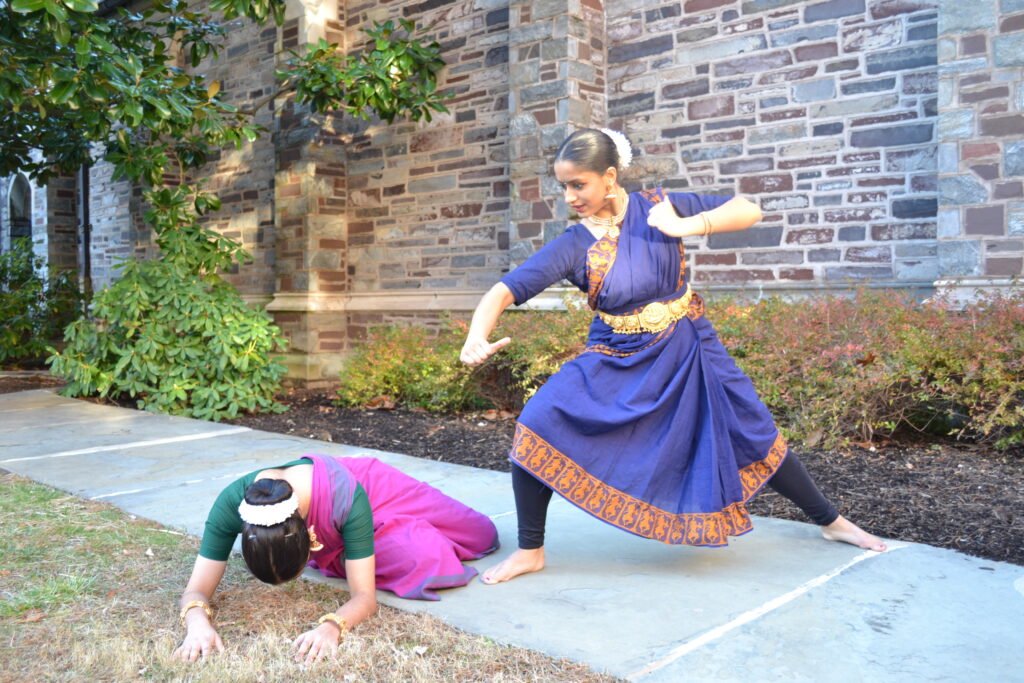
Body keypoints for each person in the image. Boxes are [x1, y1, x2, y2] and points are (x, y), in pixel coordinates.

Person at [460, 128, 886, 585]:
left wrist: (687, 225)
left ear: (608, 176)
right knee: (539, 422)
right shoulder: (575, 243)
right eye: (563, 186)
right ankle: (530, 550)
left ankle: (831, 521)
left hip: (689, 345)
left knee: (751, 429)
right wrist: (476, 335)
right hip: (616, 354)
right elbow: (505, 290)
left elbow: (748, 208)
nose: (570, 196)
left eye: (578, 184)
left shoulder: (658, 205)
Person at [173, 454, 498, 663]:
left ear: (308, 535)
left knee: (481, 534)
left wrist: (331, 628)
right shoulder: (231, 505)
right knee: (422, 557)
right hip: (337, 515)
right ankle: (364, 546)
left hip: (371, 488)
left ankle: (366, 541)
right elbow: (196, 589)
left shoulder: (345, 497)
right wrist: (197, 623)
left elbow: (364, 598)